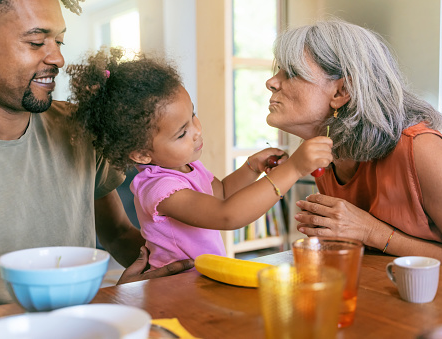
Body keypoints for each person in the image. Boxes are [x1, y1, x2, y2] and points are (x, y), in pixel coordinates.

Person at [0, 0, 192, 309]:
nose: (58, 57)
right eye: (36, 42)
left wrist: (186, 267)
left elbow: (116, 233)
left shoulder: (75, 128)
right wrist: (108, 300)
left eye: (59, 40)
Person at [66, 48, 333, 270]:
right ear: (142, 154)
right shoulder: (160, 188)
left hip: (200, 280)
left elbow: (222, 194)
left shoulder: (186, 169)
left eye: (193, 115)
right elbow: (226, 215)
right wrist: (294, 169)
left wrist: (252, 167)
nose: (196, 131)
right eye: (182, 133)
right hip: (174, 290)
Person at [265, 19, 442, 271]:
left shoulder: (421, 150)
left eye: (290, 72)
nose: (272, 82)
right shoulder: (328, 155)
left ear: (341, 92)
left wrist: (372, 232)